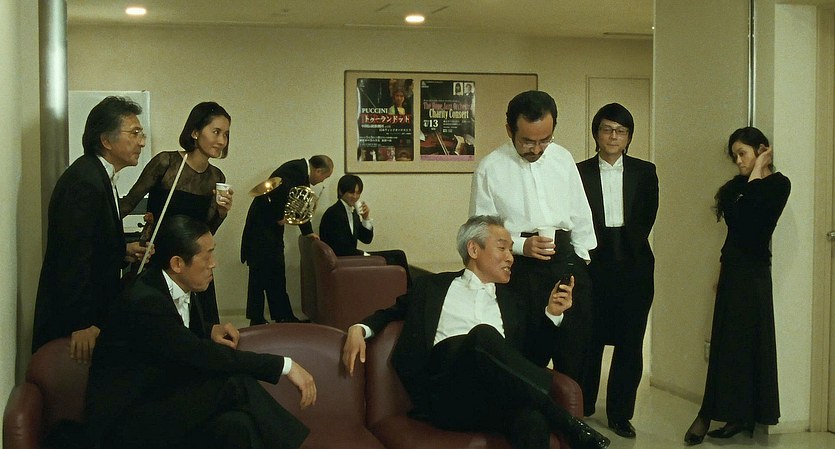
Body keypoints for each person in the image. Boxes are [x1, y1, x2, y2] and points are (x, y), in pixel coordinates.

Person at [341, 215, 609, 449]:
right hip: (445, 392)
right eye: (502, 248)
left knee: (532, 420)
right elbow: (389, 312)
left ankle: (556, 419)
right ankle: (568, 423)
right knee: (482, 336)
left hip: (492, 396)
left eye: (510, 250)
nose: (510, 257)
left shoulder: (514, 302)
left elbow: (529, 362)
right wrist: (359, 329)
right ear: (473, 249)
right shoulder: (431, 287)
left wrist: (552, 314)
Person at [84, 215, 316, 449]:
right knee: (235, 383)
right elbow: (199, 353)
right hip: (127, 422)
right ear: (177, 263)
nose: (214, 263)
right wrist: (285, 365)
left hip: (164, 403)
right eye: (207, 255)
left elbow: (171, 336)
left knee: (238, 425)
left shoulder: (179, 286)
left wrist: (207, 329)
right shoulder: (145, 300)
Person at [469, 90, 596, 382]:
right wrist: (521, 245)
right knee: (525, 354)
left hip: (566, 259)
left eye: (544, 140)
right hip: (518, 268)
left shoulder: (562, 158)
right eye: (527, 141)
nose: (536, 149)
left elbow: (580, 213)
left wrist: (582, 260)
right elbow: (480, 229)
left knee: (576, 352)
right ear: (509, 129)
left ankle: (576, 410)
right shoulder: (490, 168)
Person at [684, 127, 790, 445]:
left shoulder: (778, 184)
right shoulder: (734, 188)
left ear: (762, 150)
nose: (739, 161)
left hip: (755, 275)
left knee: (751, 344)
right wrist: (721, 273)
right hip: (733, 271)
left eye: (743, 154)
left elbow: (755, 224)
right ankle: (715, 413)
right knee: (726, 345)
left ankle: (743, 416)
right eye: (735, 156)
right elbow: (737, 230)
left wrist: (757, 173)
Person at [32, 96, 148, 360]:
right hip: (74, 325)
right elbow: (72, 257)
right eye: (134, 133)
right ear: (106, 140)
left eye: (141, 134)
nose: (141, 142)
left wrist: (123, 250)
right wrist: (81, 323)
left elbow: (92, 242)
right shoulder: (84, 181)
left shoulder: (98, 174)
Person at [576, 103, 658, 438]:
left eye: (621, 131)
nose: (613, 136)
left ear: (629, 137)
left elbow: (647, 215)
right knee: (588, 339)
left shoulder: (645, 171)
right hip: (592, 262)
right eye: (607, 129)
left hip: (633, 262)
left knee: (630, 342)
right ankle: (581, 407)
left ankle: (620, 414)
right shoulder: (579, 172)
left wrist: (628, 249)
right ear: (596, 134)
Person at [120, 101, 234, 324]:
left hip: (194, 266)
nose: (222, 141)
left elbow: (205, 232)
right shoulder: (166, 162)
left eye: (226, 134)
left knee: (201, 328)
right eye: (216, 132)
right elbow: (129, 203)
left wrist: (221, 212)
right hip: (158, 263)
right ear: (195, 132)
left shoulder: (217, 177)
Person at [241, 155, 334, 325]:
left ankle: (276, 316)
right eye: (324, 177)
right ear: (319, 171)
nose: (321, 181)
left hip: (266, 228)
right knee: (264, 273)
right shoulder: (295, 171)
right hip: (262, 229)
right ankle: (269, 317)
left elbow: (299, 205)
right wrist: (279, 216)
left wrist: (308, 232)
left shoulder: (299, 170)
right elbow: (278, 193)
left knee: (271, 272)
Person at [318, 174, 412, 285]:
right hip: (344, 259)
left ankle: (406, 290)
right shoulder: (334, 213)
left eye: (358, 193)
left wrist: (366, 218)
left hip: (351, 256)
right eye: (351, 193)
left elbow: (366, 239)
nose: (355, 197)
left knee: (398, 255)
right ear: (341, 192)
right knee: (396, 257)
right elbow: (341, 248)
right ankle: (407, 292)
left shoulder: (351, 211)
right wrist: (366, 255)